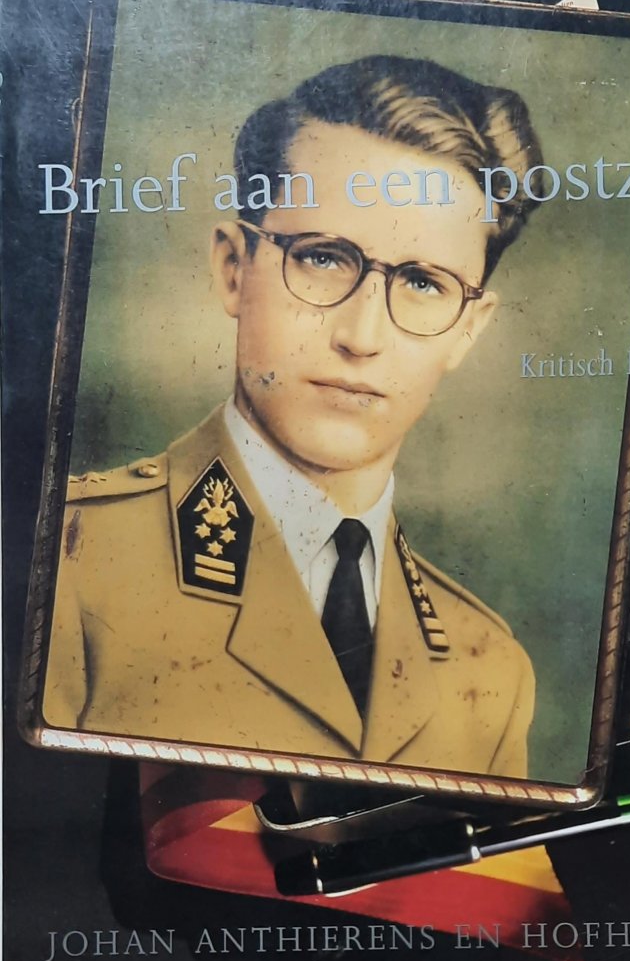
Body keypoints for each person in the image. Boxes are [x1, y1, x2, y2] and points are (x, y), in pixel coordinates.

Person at [42, 56, 545, 780]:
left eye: (422, 282)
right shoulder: (71, 563)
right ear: (233, 268)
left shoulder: (491, 671)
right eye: (323, 259)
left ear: (468, 329)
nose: (361, 336)